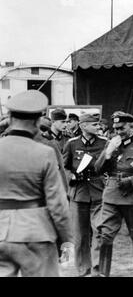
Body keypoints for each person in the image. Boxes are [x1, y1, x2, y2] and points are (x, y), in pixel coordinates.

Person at [0, 90, 72, 277]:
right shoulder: (44, 153)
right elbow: (57, 203)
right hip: (35, 232)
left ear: (9, 118)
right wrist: (66, 239)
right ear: (37, 122)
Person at [94, 111, 133, 277]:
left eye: (122, 128)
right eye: (115, 128)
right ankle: (103, 272)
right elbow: (97, 169)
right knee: (105, 236)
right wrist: (108, 153)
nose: (118, 131)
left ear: (131, 127)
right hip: (112, 197)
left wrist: (130, 181)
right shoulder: (111, 145)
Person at [63, 113, 107, 277]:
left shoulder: (104, 143)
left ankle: (97, 267)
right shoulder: (71, 144)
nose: (98, 127)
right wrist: (71, 177)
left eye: (98, 124)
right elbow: (64, 166)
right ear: (83, 126)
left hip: (99, 193)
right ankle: (83, 268)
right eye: (94, 125)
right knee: (80, 235)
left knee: (100, 230)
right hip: (79, 194)